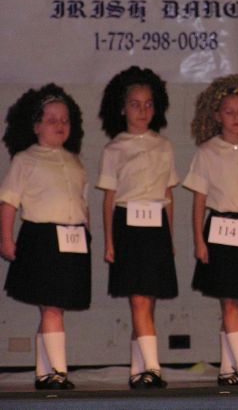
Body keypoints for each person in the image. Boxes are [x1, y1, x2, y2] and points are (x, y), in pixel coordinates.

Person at [183, 74, 238, 386]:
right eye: (229, 112)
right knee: (230, 303)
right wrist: (199, 240)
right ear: (217, 115)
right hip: (220, 229)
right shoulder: (207, 152)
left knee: (237, 304)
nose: (236, 118)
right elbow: (199, 200)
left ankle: (226, 369)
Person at [0, 84, 90, 390]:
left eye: (64, 120)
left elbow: (82, 203)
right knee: (51, 306)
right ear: (36, 126)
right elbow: (8, 202)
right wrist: (6, 239)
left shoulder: (75, 162)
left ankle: (44, 373)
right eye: (52, 120)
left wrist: (87, 234)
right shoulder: (25, 160)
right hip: (41, 239)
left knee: (54, 308)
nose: (59, 125)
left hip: (72, 239)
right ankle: (59, 373)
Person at [97, 66, 179, 389]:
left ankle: (138, 370)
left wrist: (170, 237)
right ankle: (154, 369)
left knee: (147, 303)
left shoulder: (164, 146)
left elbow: (169, 196)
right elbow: (108, 198)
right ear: (122, 109)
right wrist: (109, 240)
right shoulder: (114, 149)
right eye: (135, 104)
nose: (142, 111)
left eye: (148, 104)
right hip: (127, 226)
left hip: (156, 227)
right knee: (138, 301)